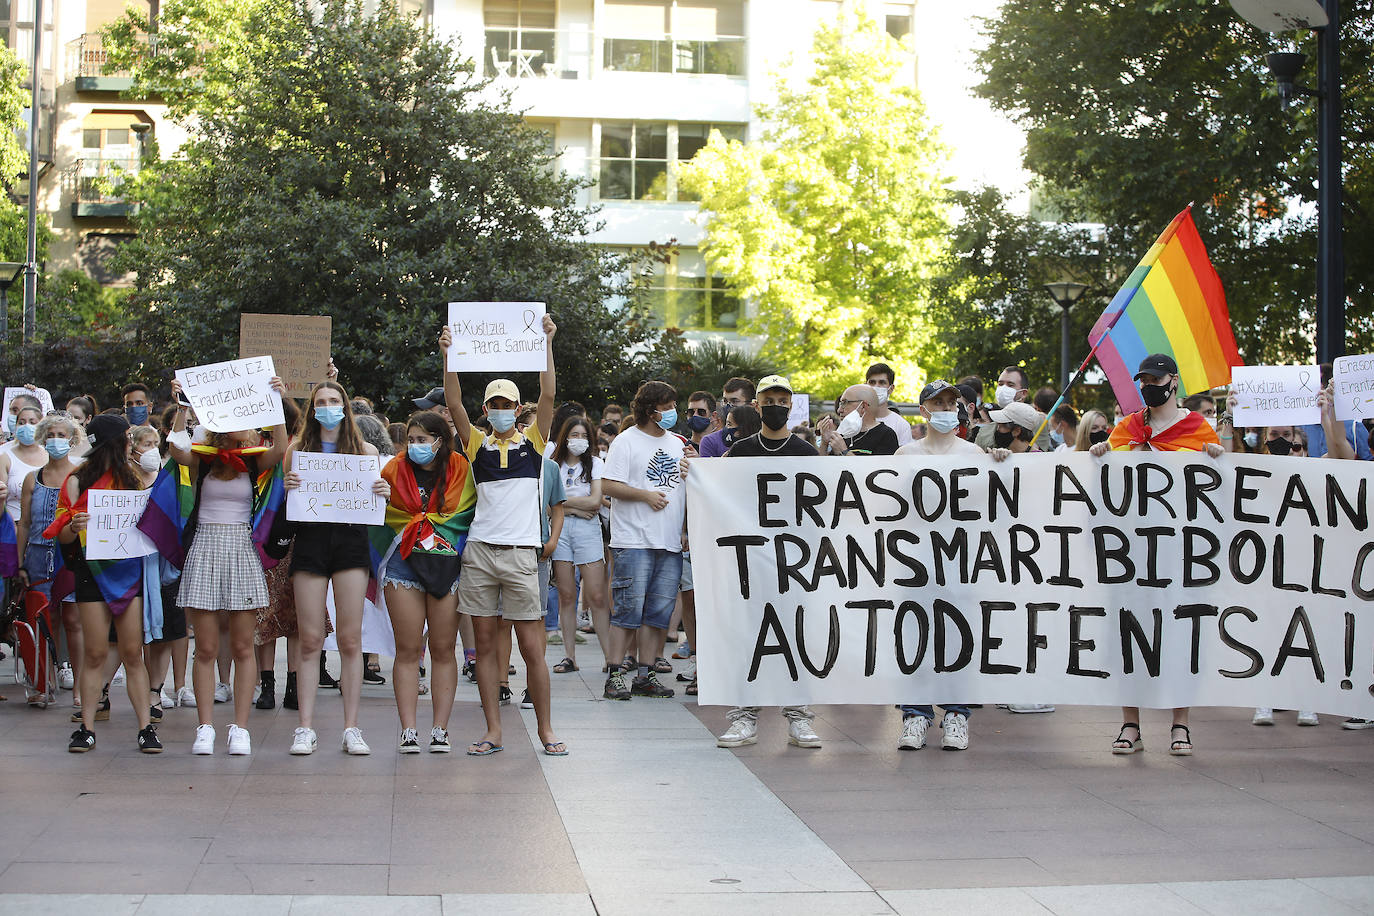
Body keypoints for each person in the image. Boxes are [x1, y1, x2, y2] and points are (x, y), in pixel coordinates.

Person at [440, 315, 567, 757]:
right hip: (480, 554)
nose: (499, 408)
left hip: (520, 556)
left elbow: (548, 393)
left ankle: (546, 729)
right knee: (487, 651)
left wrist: (548, 343)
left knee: (533, 648)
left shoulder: (535, 441)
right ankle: (493, 731)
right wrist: (449, 355)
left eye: (506, 403)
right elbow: (452, 401)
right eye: (492, 402)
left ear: (517, 409)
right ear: (486, 408)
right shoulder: (475, 443)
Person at [1091, 354, 1223, 757]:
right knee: (1129, 632)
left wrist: (1219, 460)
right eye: (1143, 379)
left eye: (1155, 378)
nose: (1148, 384)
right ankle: (1131, 724)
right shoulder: (1128, 427)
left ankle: (1179, 725)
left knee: (1181, 633)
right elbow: (1106, 485)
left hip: (1178, 553)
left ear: (1173, 381)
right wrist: (1099, 459)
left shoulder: (1198, 428)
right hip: (1130, 553)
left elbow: (1217, 491)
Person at [167, 375, 290, 756]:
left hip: (241, 548)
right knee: (204, 648)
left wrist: (275, 401)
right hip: (204, 547)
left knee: (242, 646)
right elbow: (175, 449)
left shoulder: (254, 461)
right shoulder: (203, 457)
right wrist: (183, 405)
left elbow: (282, 447)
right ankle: (205, 727)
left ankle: (241, 728)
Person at [890, 381, 1010, 749]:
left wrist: (1001, 465)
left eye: (950, 402)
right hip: (916, 559)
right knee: (915, 634)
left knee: (958, 635)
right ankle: (916, 715)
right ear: (924, 409)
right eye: (936, 402)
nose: (944, 407)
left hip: (960, 559)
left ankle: (957, 714)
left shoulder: (974, 453)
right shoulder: (904, 455)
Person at [713, 376, 822, 749]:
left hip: (795, 563)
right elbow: (719, 497)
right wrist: (697, 477)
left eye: (782, 399)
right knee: (750, 636)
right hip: (751, 560)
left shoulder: (807, 453)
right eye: (768, 399)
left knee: (795, 634)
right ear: (756, 406)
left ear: (790, 406)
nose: (776, 405)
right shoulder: (740, 451)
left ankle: (798, 716)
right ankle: (745, 715)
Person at [283, 381, 391, 755]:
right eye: (320, 402)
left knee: (350, 639)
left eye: (334, 401)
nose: (327, 407)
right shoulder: (297, 451)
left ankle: (351, 727)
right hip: (311, 545)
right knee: (310, 639)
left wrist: (382, 493)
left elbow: (377, 502)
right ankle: (305, 727)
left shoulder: (367, 451)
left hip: (350, 544)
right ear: (311, 410)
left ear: (345, 406)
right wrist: (288, 485)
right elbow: (286, 501)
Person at [48, 414, 160, 753]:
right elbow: (62, 534)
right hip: (91, 573)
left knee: (132, 653)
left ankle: (146, 729)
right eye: (125, 437)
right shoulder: (76, 481)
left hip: (128, 573)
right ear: (114, 442)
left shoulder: (133, 479)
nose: (130, 442)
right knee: (95, 653)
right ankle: (86, 727)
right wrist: (75, 524)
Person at [600, 380, 686, 702]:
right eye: (668, 406)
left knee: (657, 613)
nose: (673, 412)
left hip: (669, 542)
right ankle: (614, 675)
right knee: (627, 610)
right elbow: (607, 484)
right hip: (634, 540)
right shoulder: (626, 442)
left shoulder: (678, 443)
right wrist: (645, 495)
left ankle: (646, 674)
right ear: (652, 410)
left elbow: (684, 488)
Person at [16, 412, 81, 707]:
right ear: (44, 438)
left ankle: (81, 687)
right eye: (51, 435)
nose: (56, 440)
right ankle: (44, 682)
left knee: (74, 621)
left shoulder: (81, 474)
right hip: (39, 556)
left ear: (72, 439)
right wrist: (20, 563)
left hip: (71, 557)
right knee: (42, 619)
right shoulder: (33, 478)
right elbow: (26, 524)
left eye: (61, 435)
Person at [550, 417, 610, 671]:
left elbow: (595, 501)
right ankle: (570, 656)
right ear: (564, 437)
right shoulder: (553, 465)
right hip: (560, 530)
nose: (579, 440)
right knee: (566, 595)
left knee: (597, 595)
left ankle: (611, 659)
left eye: (583, 436)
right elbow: (547, 503)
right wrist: (573, 508)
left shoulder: (596, 463)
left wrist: (562, 506)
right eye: (574, 435)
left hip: (587, 530)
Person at [0, 394, 49, 522]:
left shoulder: (51, 455)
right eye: (21, 422)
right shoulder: (4, 455)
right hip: (12, 524)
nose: (26, 426)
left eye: (32, 422)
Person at [816, 385, 898, 456]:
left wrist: (844, 451)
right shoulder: (844, 433)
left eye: (845, 403)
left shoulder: (886, 435)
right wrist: (824, 443)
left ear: (862, 406)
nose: (839, 410)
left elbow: (880, 471)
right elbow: (823, 470)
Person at [697, 378, 755, 459]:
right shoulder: (710, 441)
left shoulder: (762, 438)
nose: (728, 406)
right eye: (725, 401)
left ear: (752, 405)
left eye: (734, 401)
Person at [865, 362, 914, 447]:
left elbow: (904, 458)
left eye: (882, 382)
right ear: (865, 385)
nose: (876, 386)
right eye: (872, 382)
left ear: (891, 389)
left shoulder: (901, 425)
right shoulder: (854, 420)